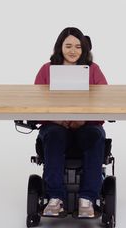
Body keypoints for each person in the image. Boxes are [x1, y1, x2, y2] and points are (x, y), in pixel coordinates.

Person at [34, 27, 108, 218]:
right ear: (60, 47)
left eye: (77, 46)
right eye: (68, 46)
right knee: (54, 135)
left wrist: (83, 119)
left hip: (87, 125)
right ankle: (55, 198)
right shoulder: (46, 70)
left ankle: (87, 199)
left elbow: (105, 101)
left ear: (84, 49)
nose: (73, 50)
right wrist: (57, 119)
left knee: (94, 135)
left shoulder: (93, 70)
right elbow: (35, 103)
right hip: (54, 125)